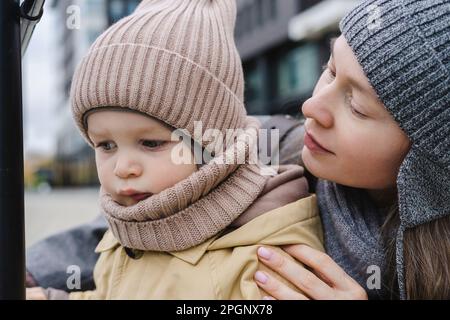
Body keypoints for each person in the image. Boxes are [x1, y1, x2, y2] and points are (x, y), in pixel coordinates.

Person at [26, 0, 323, 299]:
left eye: (151, 143)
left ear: (213, 145)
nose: (122, 167)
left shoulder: (268, 255)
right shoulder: (127, 231)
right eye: (106, 145)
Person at [253, 0, 450, 300]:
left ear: (426, 166)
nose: (311, 106)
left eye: (357, 108)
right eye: (330, 70)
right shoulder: (254, 152)